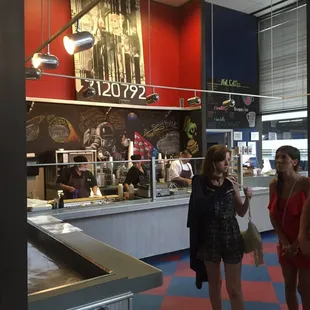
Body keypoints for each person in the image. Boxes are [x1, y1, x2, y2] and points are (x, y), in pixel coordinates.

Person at [189, 144, 252, 310]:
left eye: (228, 160)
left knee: (234, 288)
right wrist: (224, 187)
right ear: (213, 161)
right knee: (214, 283)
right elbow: (202, 206)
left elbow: (241, 212)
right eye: (224, 160)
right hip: (209, 235)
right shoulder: (200, 181)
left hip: (231, 233)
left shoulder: (231, 182)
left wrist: (247, 199)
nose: (227, 163)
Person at [268, 145, 310, 310]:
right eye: (277, 157)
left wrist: (298, 242)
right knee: (289, 285)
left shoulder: (305, 183)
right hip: (285, 243)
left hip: (304, 241)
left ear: (294, 162)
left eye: (284, 157)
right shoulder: (274, 185)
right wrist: (284, 241)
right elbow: (273, 215)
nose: (279, 161)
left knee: (305, 288)